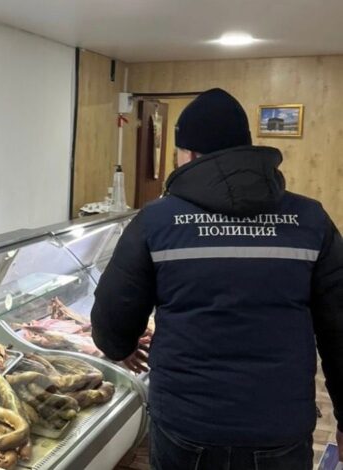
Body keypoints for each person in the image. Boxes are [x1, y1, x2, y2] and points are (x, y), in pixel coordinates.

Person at [91, 88, 343, 469]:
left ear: (190, 155)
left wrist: (121, 344)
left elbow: (110, 325)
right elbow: (339, 331)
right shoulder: (310, 220)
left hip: (186, 427)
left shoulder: (156, 221)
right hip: (278, 429)